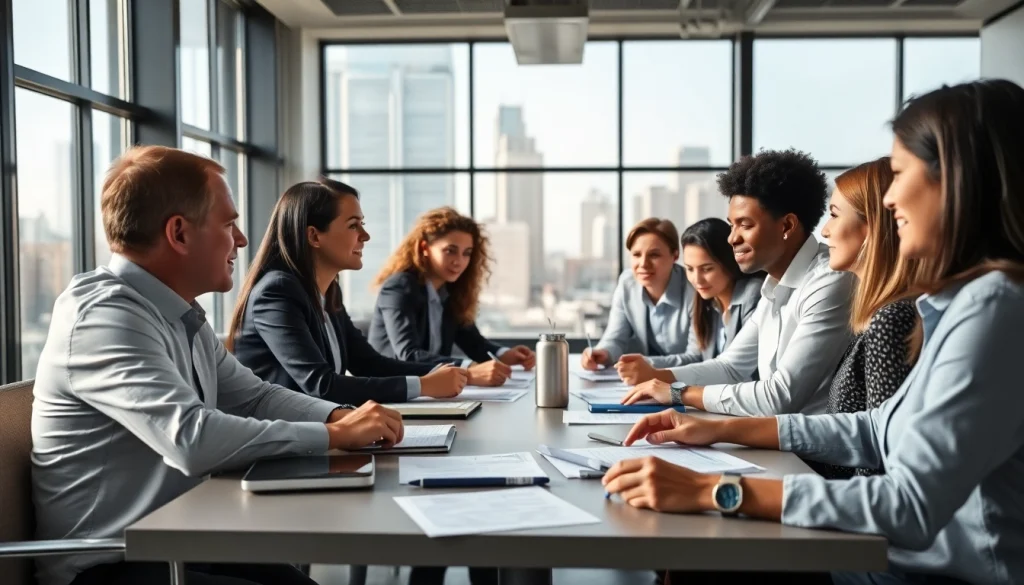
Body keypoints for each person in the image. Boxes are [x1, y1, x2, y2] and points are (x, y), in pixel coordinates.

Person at [604, 79, 1024, 585]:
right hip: (881, 559)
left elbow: (909, 505)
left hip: (912, 573)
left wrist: (713, 490)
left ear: (959, 180)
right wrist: (717, 426)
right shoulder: (953, 305)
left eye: (898, 174)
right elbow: (873, 428)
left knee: (702, 557)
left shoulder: (995, 308)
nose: (889, 199)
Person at [31, 146, 404, 585]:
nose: (242, 240)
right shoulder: (106, 316)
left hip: (180, 539)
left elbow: (255, 396)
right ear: (179, 234)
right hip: (112, 565)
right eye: (229, 224)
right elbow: (191, 438)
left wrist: (342, 416)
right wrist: (333, 433)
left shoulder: (177, 313)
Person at [620, 150, 855, 417]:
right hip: (775, 442)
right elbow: (730, 367)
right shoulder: (774, 285)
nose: (732, 238)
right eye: (732, 225)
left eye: (745, 225)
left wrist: (679, 392)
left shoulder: (829, 282)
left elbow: (780, 397)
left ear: (787, 225)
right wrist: (659, 376)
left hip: (806, 453)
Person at [228, 179, 468, 405]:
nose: (365, 236)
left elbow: (369, 364)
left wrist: (444, 374)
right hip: (281, 441)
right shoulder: (277, 292)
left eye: (362, 224)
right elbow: (321, 385)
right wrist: (423, 385)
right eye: (354, 225)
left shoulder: (328, 290)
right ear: (314, 236)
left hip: (320, 432)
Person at [814, 157, 920, 479]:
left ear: (872, 226)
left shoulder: (892, 320)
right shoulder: (879, 315)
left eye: (834, 215)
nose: (825, 230)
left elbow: (880, 459)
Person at [368, 207, 535, 387]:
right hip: (393, 390)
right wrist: (468, 369)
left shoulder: (450, 292)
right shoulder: (400, 286)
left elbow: (473, 342)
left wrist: (504, 354)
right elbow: (408, 354)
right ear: (425, 248)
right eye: (450, 250)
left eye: (467, 253)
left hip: (432, 392)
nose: (459, 261)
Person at [615, 218, 764, 384]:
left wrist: (656, 373)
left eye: (707, 269)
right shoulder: (708, 304)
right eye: (690, 269)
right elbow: (702, 360)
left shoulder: (753, 295)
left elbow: (733, 371)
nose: (697, 280)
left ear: (729, 262)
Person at [582, 218, 696, 371]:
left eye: (654, 255)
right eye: (636, 255)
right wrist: (603, 353)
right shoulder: (627, 283)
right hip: (647, 382)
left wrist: (646, 364)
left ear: (675, 256)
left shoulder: (694, 290)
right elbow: (616, 338)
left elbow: (697, 357)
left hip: (685, 383)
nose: (643, 264)